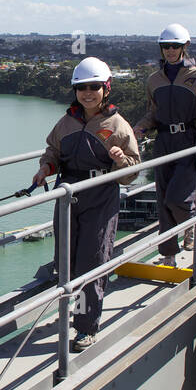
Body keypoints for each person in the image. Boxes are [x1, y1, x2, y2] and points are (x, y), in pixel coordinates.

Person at [32, 57, 140, 352]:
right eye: (82, 88)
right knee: (66, 262)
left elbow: (132, 173)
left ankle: (86, 328)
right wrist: (45, 170)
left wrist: (121, 160)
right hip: (68, 196)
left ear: (106, 89)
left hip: (100, 196)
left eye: (94, 87)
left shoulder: (117, 125)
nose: (88, 93)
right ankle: (72, 312)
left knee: (92, 261)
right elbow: (52, 152)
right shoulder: (66, 122)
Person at [132, 24, 196, 267]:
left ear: (185, 47)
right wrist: (140, 128)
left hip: (189, 142)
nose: (170, 50)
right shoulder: (153, 80)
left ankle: (192, 224)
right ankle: (168, 256)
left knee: (176, 198)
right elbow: (153, 113)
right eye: (166, 46)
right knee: (163, 199)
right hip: (164, 142)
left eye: (175, 46)